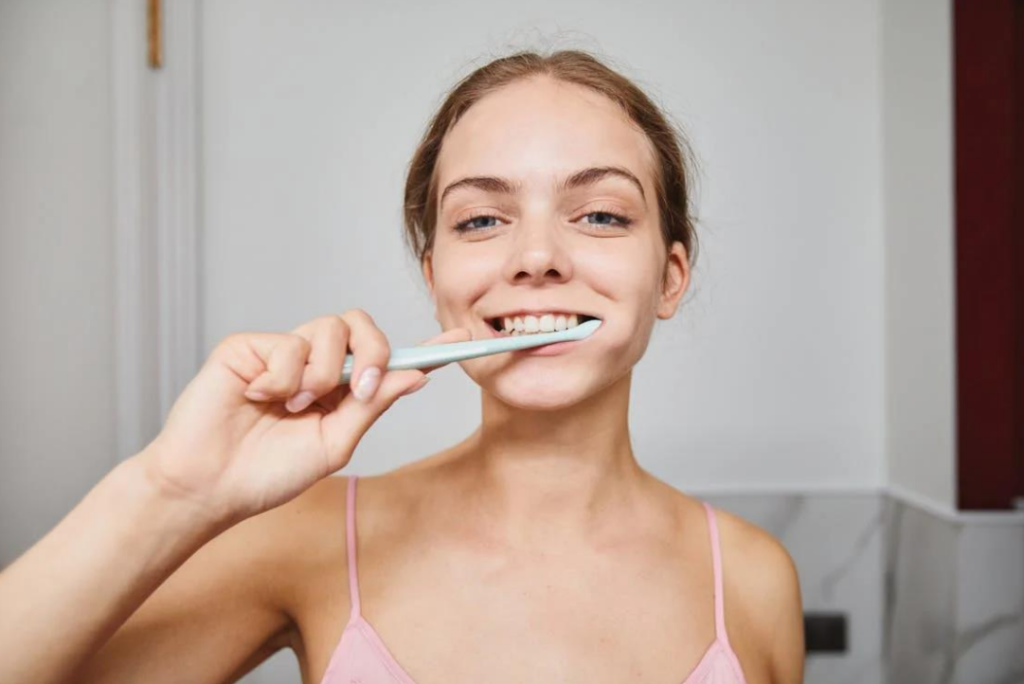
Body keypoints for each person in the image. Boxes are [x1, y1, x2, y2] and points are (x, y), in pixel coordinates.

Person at [0, 49, 804, 684]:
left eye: (599, 213)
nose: (534, 257)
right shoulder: (310, 537)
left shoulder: (753, 580)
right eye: (482, 219)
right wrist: (170, 491)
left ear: (669, 277)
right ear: (435, 279)